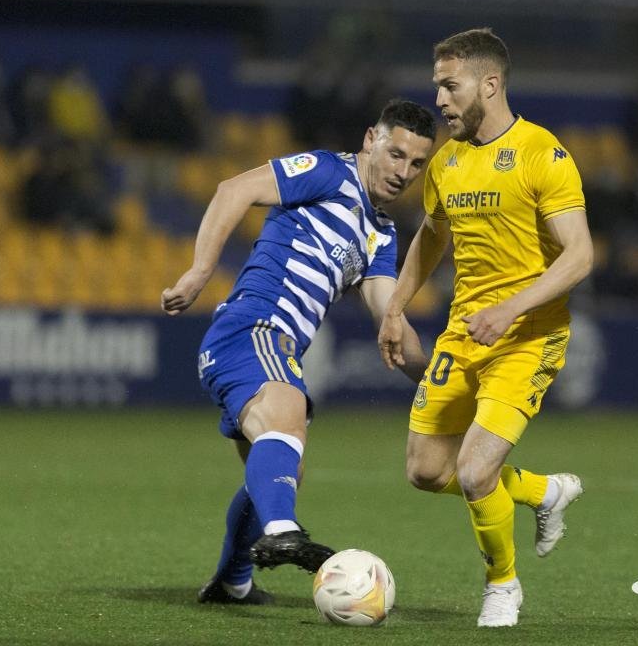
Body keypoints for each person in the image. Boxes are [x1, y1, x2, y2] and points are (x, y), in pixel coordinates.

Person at [162, 99, 437, 605]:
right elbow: (235, 189)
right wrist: (201, 270)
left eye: (417, 164)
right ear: (371, 139)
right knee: (288, 413)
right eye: (396, 154)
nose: (404, 172)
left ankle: (232, 580)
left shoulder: (381, 235)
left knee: (280, 468)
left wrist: (442, 378)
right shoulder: (330, 172)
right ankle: (284, 533)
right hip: (253, 327)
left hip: (270, 342)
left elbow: (390, 318)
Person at [377, 29, 594, 628]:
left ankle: (503, 586)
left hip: (528, 336)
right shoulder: (447, 159)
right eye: (437, 86)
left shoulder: (541, 154)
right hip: (465, 331)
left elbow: (579, 256)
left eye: (451, 86)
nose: (441, 100)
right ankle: (541, 491)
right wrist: (395, 307)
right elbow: (431, 234)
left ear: (490, 85)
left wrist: (511, 310)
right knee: (425, 471)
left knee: (473, 471)